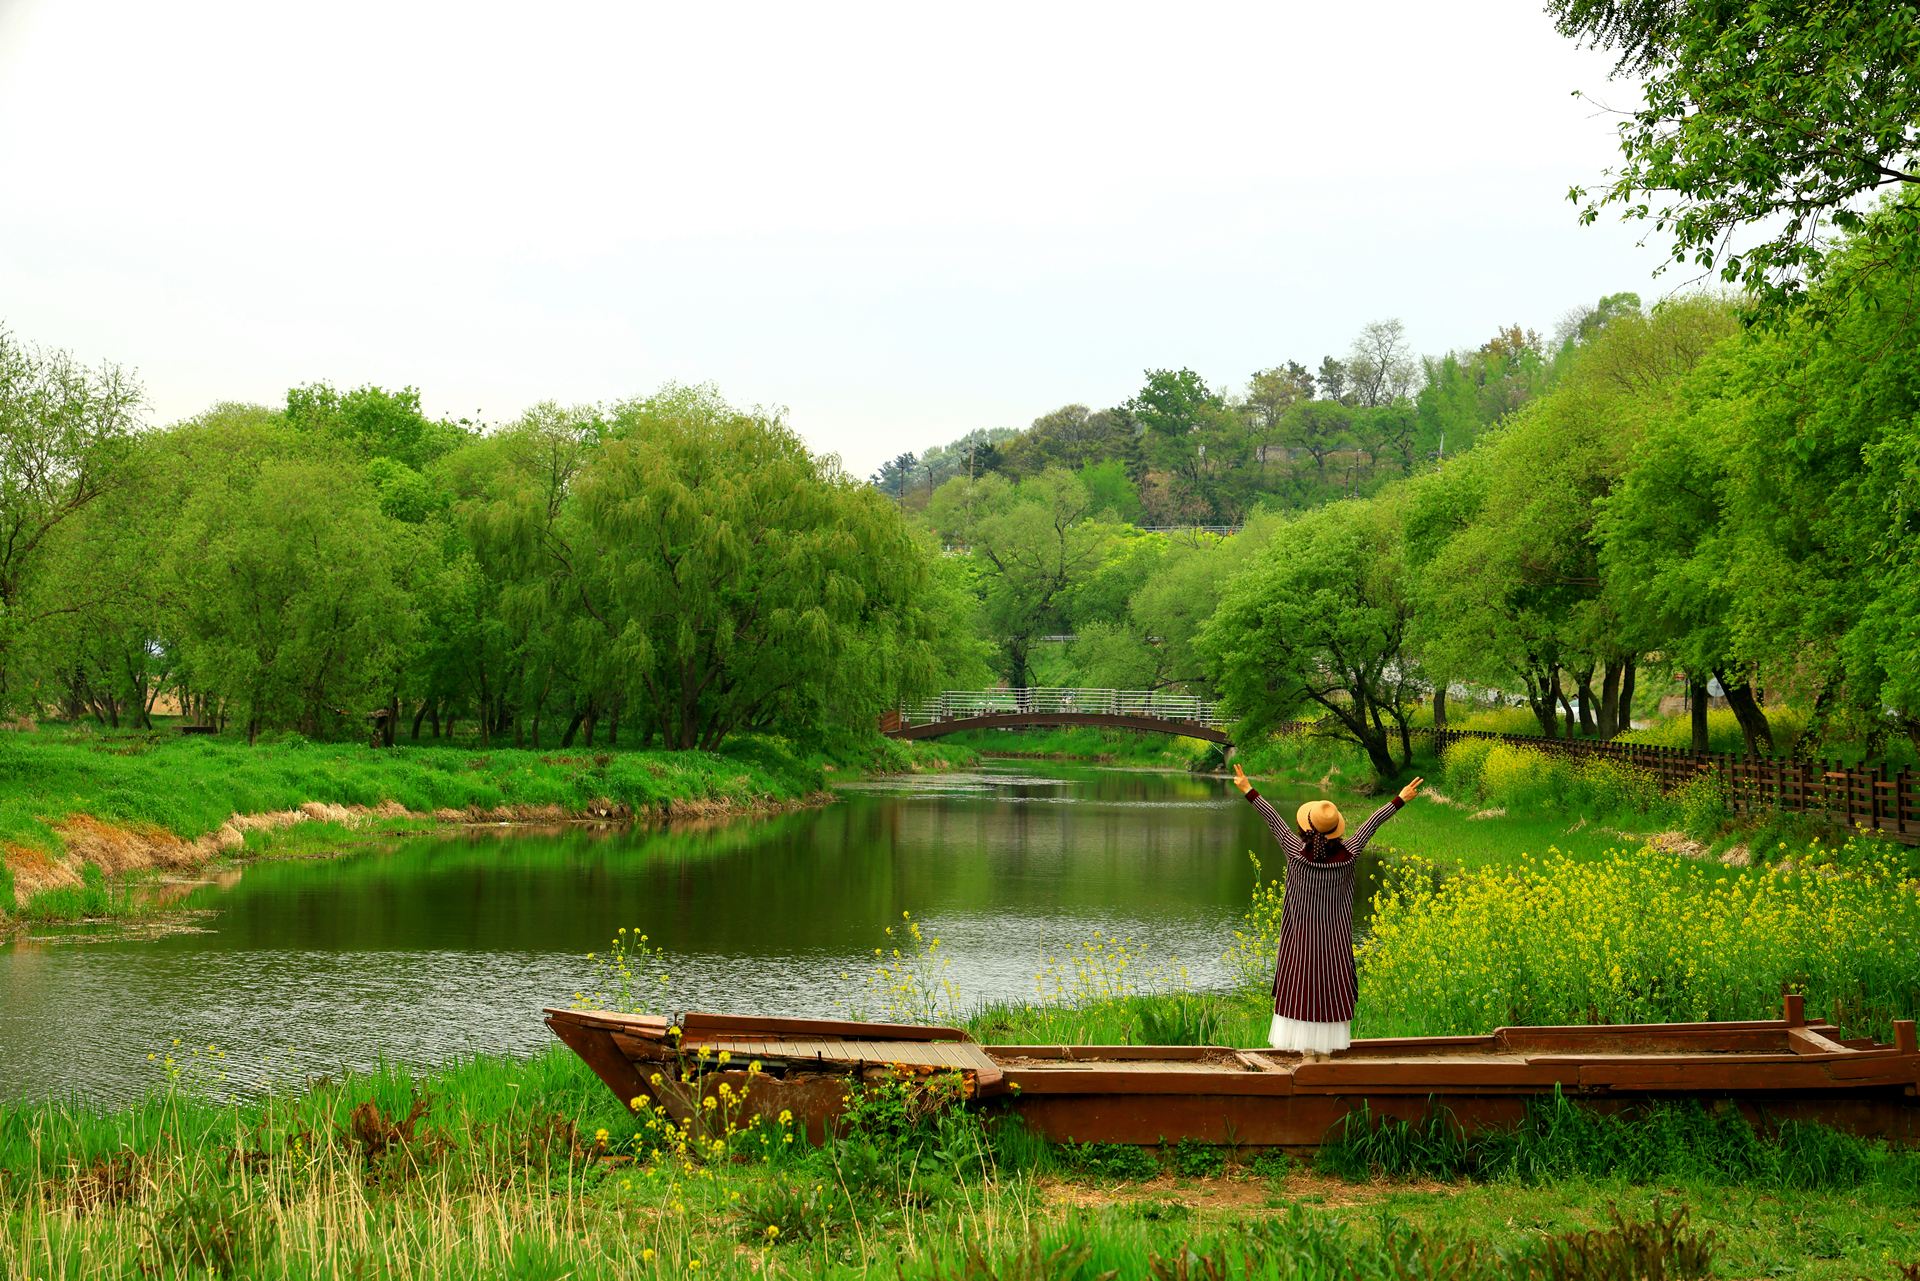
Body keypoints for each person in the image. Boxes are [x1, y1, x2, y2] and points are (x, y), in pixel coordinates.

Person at [1231, 763, 1422, 1057]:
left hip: (1300, 941)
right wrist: (1400, 798)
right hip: (1334, 942)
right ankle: (1324, 1057)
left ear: (1305, 827)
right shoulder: (1350, 853)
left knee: (1302, 989)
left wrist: (1247, 788)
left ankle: (1308, 1056)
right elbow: (1372, 823)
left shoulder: (1294, 851)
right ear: (1336, 829)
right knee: (1329, 990)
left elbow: (1272, 818)